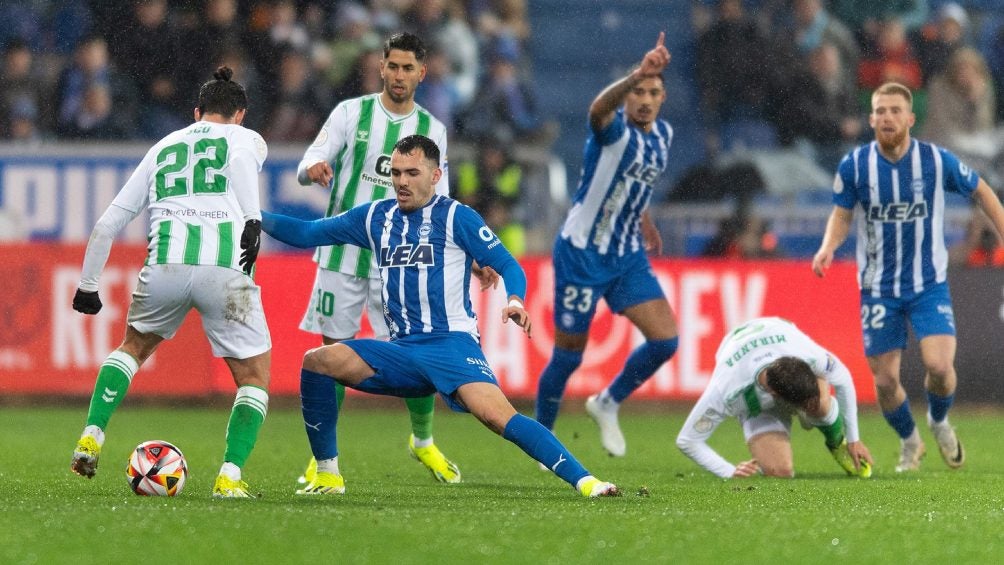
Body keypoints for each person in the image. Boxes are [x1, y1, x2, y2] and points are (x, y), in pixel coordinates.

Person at [262, 135, 619, 498]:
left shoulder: (456, 217)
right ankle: (327, 475)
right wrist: (251, 217)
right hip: (400, 350)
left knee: (499, 417)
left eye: (412, 173)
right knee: (318, 362)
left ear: (435, 176)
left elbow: (508, 264)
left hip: (451, 346)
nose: (402, 181)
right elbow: (306, 232)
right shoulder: (375, 217)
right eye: (396, 173)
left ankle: (588, 482)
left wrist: (516, 300)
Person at [69, 67, 271, 498]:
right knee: (253, 377)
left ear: (196, 112)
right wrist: (252, 219)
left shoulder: (163, 146)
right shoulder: (246, 137)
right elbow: (236, 160)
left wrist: (88, 285)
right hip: (226, 269)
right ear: (240, 114)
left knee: (132, 348)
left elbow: (108, 223)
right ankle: (229, 477)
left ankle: (92, 434)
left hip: (166, 265)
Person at [293, 32, 469, 487]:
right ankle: (323, 459)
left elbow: (442, 200)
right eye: (392, 66)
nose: (399, 75)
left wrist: (471, 252)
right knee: (333, 353)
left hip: (402, 261)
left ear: (421, 73)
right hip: (342, 256)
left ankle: (423, 441)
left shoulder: (433, 129)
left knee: (418, 355)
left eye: (408, 68)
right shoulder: (351, 113)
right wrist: (311, 169)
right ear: (382, 67)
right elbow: (312, 155)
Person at [812, 81, 1004, 471]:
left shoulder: (934, 161)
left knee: (939, 367)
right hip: (877, 288)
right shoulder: (855, 166)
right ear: (871, 118)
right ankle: (909, 441)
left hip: (927, 283)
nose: (887, 117)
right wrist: (828, 245)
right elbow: (842, 214)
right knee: (884, 382)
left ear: (910, 118)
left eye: (895, 111)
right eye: (880, 111)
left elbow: (982, 191)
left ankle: (938, 421)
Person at [533, 32, 679, 457]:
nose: (645, 98)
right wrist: (638, 71)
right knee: (567, 358)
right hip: (581, 254)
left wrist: (645, 221)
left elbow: (637, 182)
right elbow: (596, 109)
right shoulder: (612, 132)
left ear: (663, 98)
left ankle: (607, 402)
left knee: (666, 342)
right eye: (638, 91)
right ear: (627, 96)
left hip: (626, 254)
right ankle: (541, 439)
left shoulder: (665, 135)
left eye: (653, 91)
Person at [677, 317, 874, 478]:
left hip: (775, 331)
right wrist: (729, 472)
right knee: (780, 472)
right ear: (775, 395)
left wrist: (853, 438)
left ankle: (835, 440)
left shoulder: (806, 354)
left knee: (821, 405)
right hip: (755, 403)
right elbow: (688, 441)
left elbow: (843, 378)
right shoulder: (728, 388)